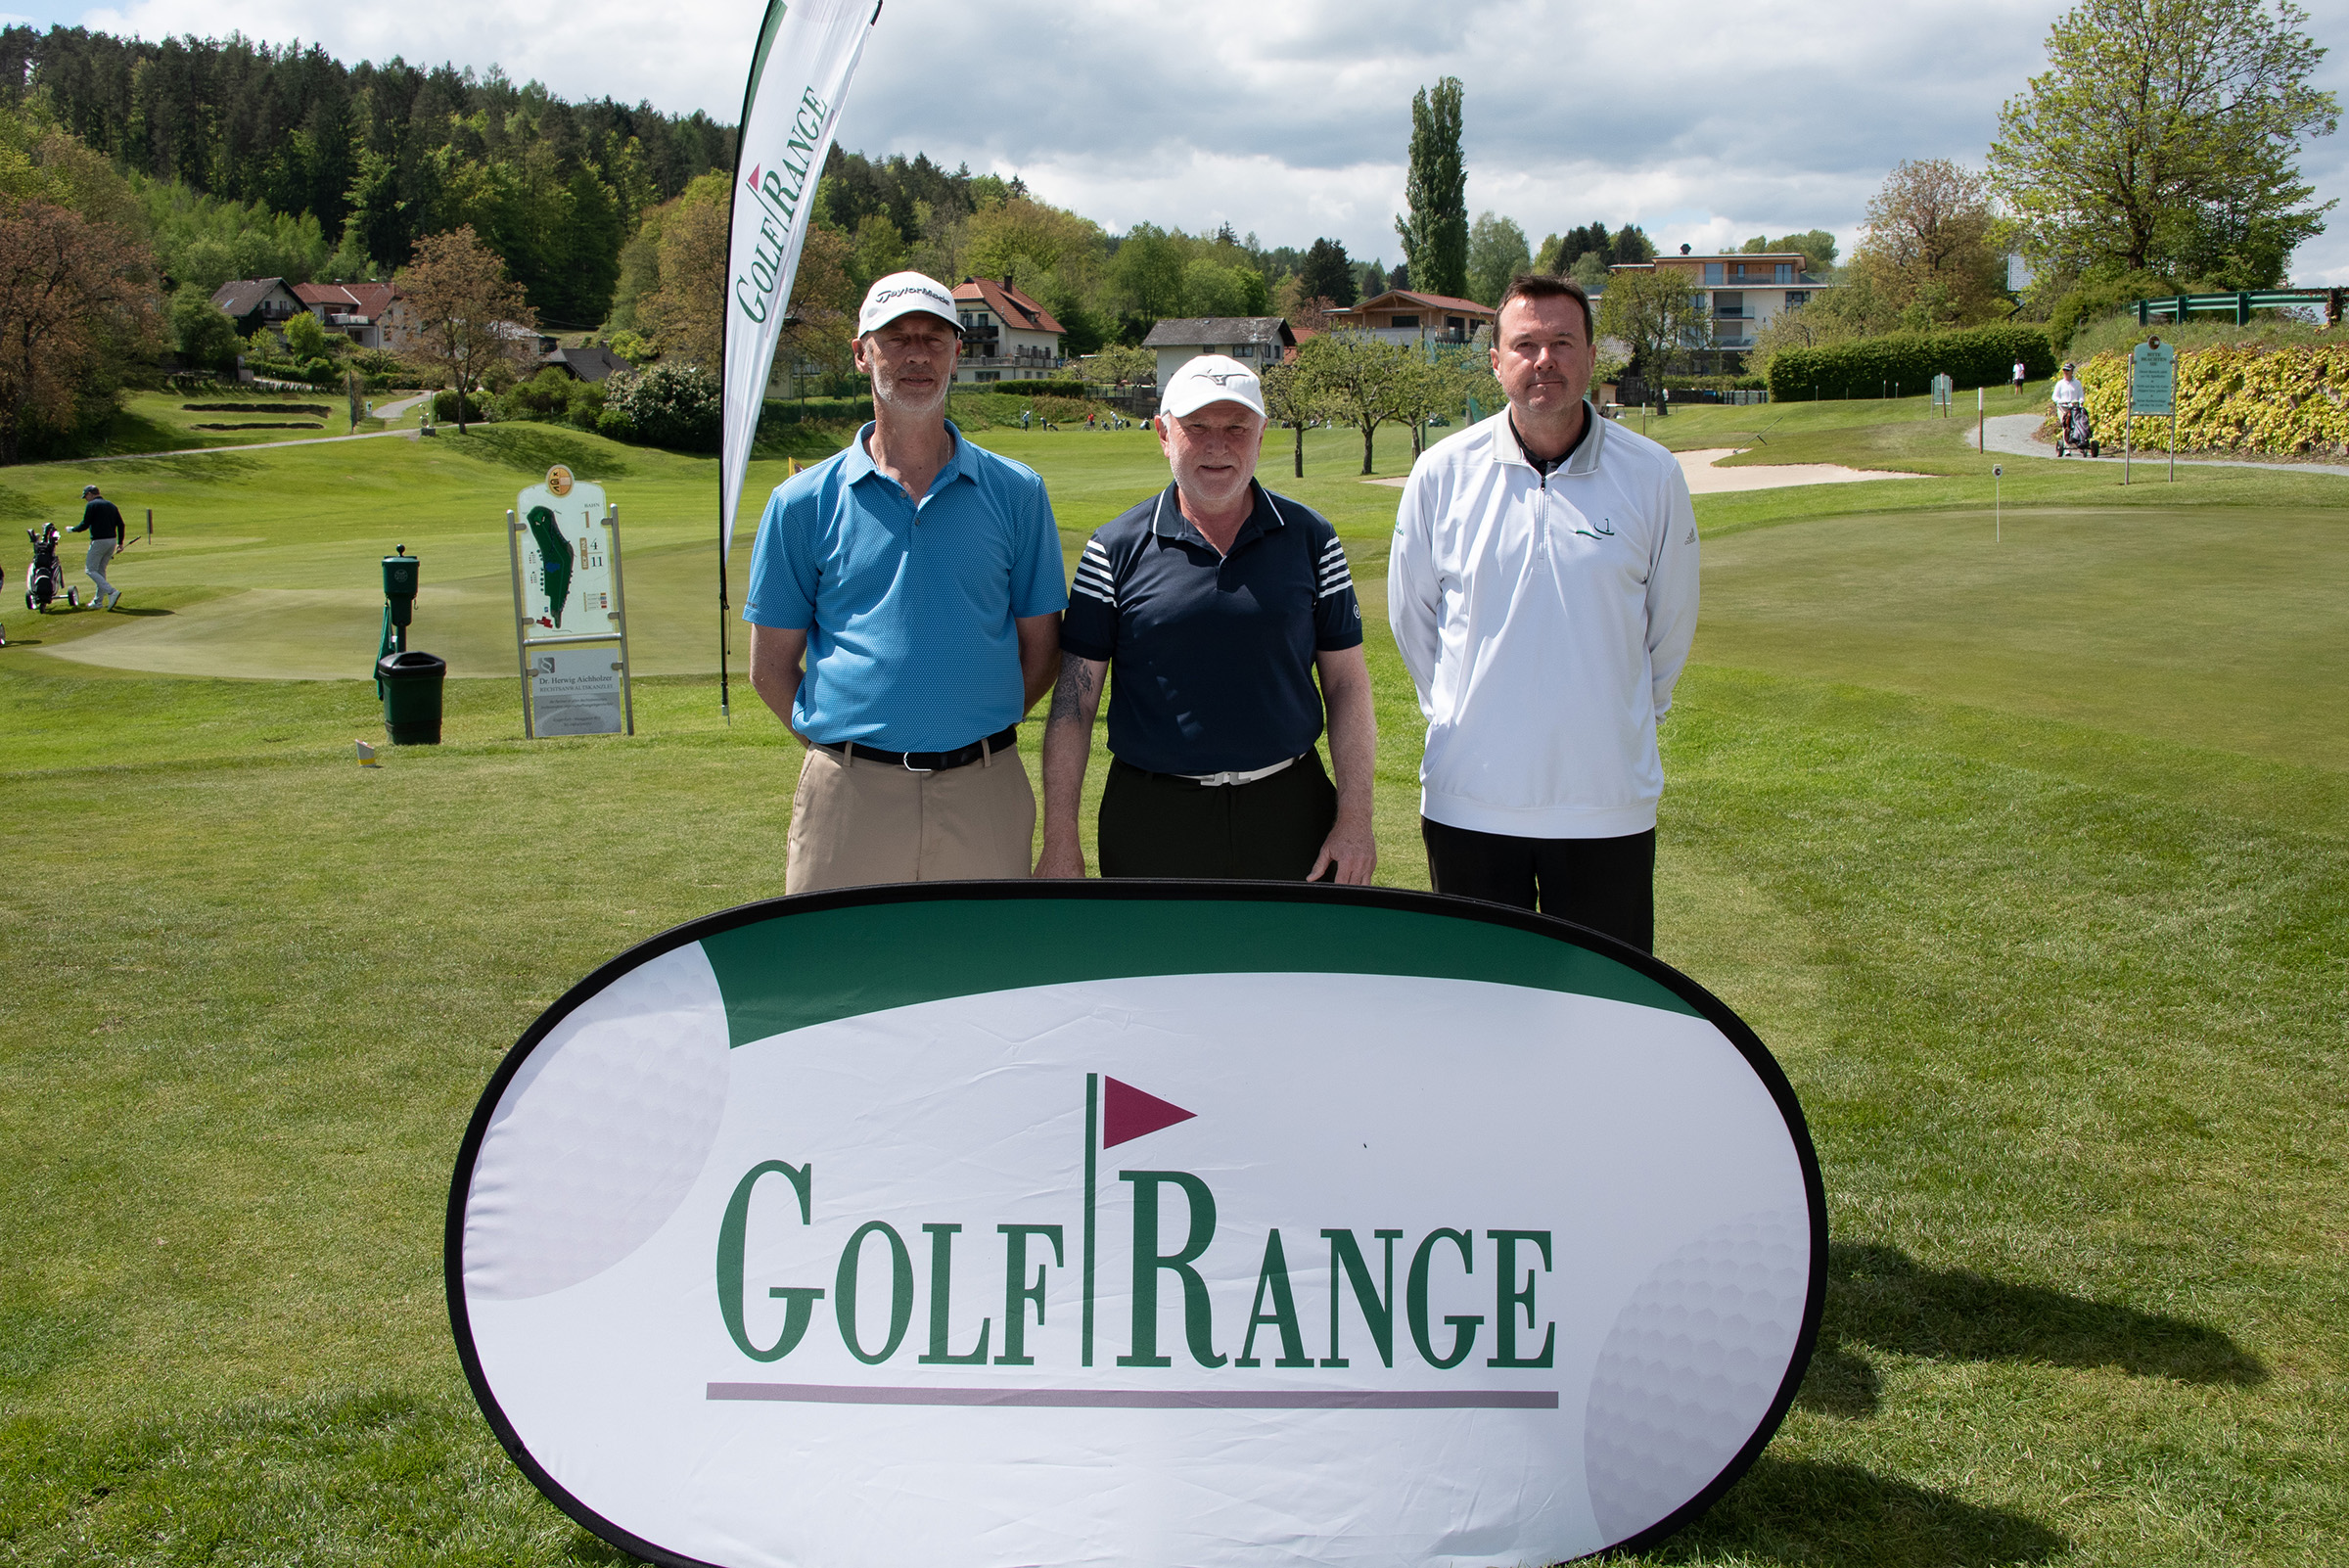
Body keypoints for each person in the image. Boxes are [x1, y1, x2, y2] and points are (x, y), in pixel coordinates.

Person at [1388, 274, 1699, 952]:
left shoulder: (1653, 475)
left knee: (1601, 1005)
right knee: (1479, 1002)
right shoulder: (1440, 473)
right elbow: (1413, 620)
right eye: (1525, 344)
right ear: (1496, 361)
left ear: (1591, 356)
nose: (1544, 360)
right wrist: (1458, 709)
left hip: (1605, 804)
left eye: (1563, 342)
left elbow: (1670, 627)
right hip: (1470, 802)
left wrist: (1616, 722)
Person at [744, 271, 1067, 894]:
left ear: (956, 353)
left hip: (984, 788)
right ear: (862, 354)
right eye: (896, 339)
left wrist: (967, 728)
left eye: (933, 339)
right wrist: (848, 750)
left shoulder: (1017, 493)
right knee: (840, 958)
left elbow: (1042, 651)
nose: (917, 354)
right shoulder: (801, 502)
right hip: (849, 794)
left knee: (985, 958)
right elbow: (770, 667)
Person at [1036, 355, 1376, 884]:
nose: (1218, 446)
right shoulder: (1112, 549)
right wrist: (1060, 839)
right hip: (1153, 819)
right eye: (1197, 427)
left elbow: (1347, 685)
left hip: (1290, 812)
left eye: (1237, 427)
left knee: (1295, 944)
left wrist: (1355, 819)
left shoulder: (1313, 539)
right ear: (1163, 434)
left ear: (1261, 434)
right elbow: (1074, 704)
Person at [69, 484, 126, 610]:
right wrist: (120, 543)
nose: (86, 499)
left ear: (90, 494)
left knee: (90, 569)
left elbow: (85, 524)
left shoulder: (92, 505)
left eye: (86, 496)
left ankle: (111, 591)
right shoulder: (111, 505)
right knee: (100, 571)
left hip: (99, 541)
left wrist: (72, 529)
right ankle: (98, 602)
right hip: (112, 541)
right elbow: (121, 524)